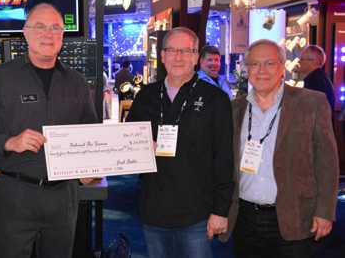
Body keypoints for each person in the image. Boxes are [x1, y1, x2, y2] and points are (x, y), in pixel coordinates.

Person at [0, 3, 98, 258]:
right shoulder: (0, 77)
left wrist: (92, 167)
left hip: (64, 197)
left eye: (55, 28)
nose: (48, 34)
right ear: (25, 33)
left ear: (63, 35)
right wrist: (9, 142)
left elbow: (93, 136)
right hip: (16, 194)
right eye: (40, 27)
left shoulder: (77, 82)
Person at [220, 39, 339, 258]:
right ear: (247, 69)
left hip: (294, 216)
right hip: (245, 219)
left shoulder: (311, 103)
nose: (261, 71)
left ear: (282, 67)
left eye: (269, 63)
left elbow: (327, 163)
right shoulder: (235, 108)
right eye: (254, 64)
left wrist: (325, 211)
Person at [126, 27, 234, 258]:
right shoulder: (146, 96)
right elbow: (125, 143)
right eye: (172, 50)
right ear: (162, 56)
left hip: (197, 213)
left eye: (186, 51)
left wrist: (221, 210)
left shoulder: (216, 99)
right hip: (153, 209)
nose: (178, 57)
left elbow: (224, 157)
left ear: (196, 57)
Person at [297, 45, 335, 111]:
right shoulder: (319, 77)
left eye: (302, 59)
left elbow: (308, 109)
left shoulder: (315, 80)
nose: (299, 62)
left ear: (313, 61)